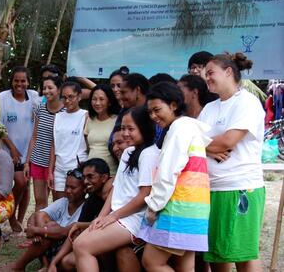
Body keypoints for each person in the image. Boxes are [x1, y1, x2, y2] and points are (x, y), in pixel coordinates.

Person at [198, 53, 265, 272]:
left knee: (243, 254)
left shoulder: (247, 102)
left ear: (228, 72)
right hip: (212, 189)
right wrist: (208, 148)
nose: (206, 78)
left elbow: (228, 141)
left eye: (210, 73)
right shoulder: (209, 108)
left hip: (239, 187)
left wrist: (205, 146)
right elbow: (190, 141)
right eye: (204, 74)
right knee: (218, 255)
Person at [73, 106, 158, 272]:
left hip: (135, 219)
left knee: (82, 246)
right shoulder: (128, 152)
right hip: (119, 216)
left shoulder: (149, 154)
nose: (125, 133)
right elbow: (116, 188)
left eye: (131, 128)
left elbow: (144, 196)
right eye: (122, 128)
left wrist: (113, 217)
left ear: (144, 127)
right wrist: (103, 216)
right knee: (81, 244)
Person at [138, 82, 211, 271]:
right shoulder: (189, 127)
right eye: (150, 112)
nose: (153, 116)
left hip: (179, 207)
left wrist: (153, 206)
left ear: (173, 105)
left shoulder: (179, 128)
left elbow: (168, 171)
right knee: (185, 266)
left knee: (152, 262)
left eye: (157, 109)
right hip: (195, 209)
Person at [7, 168, 87, 272]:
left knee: (50, 227)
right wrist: (38, 232)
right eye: (66, 186)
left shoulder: (86, 208)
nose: (68, 191)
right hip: (51, 242)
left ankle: (19, 266)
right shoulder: (64, 202)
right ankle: (44, 264)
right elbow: (37, 215)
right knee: (40, 220)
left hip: (67, 247)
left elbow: (64, 232)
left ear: (84, 189)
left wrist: (37, 231)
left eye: (73, 187)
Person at [48, 158, 112, 272]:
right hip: (96, 245)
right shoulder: (91, 199)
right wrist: (54, 262)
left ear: (104, 178)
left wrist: (80, 225)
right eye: (84, 177)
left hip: (114, 241)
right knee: (66, 262)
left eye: (90, 176)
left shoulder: (116, 194)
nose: (86, 181)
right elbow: (74, 231)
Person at [0, 66, 39, 232]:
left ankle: (19, 220)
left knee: (25, 185)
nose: (20, 84)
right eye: (16, 80)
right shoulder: (3, 97)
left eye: (23, 81)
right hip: (9, 151)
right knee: (18, 183)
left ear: (28, 81)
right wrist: (13, 149)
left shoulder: (35, 97)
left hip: (29, 151)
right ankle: (12, 215)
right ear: (12, 81)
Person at [24, 76, 65, 211]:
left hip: (58, 164)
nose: (46, 91)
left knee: (59, 202)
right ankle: (39, 231)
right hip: (38, 161)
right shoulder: (40, 108)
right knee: (40, 201)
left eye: (50, 88)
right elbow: (34, 137)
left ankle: (56, 231)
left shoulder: (66, 112)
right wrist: (27, 162)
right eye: (44, 88)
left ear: (59, 90)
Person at [49, 81, 88, 200]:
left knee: (76, 205)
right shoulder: (58, 117)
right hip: (59, 169)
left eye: (71, 97)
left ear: (79, 96)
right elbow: (54, 145)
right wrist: (50, 171)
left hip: (77, 168)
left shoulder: (85, 116)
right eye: (64, 97)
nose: (67, 101)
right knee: (59, 205)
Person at [85, 84, 120, 175]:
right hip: (91, 174)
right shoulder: (90, 119)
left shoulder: (117, 120)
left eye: (101, 99)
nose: (97, 103)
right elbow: (88, 147)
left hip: (110, 173)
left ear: (109, 102)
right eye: (94, 99)